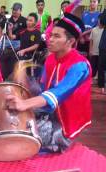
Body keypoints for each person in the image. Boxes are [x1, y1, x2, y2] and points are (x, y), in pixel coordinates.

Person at [6, 13, 92, 153]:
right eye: (50, 35)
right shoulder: (51, 59)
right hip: (50, 112)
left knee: (21, 133)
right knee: (10, 120)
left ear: (70, 41)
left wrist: (25, 103)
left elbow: (57, 94)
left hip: (66, 122)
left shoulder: (80, 66)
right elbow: (42, 89)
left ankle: (59, 143)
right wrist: (24, 81)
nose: (50, 39)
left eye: (57, 36)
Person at [89, 14, 103, 79]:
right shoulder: (94, 29)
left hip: (102, 52)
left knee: (100, 66)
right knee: (93, 65)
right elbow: (91, 41)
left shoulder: (104, 30)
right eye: (99, 19)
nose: (100, 21)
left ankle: (98, 77)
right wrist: (90, 50)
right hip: (94, 52)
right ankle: (91, 77)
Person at [98, 12, 106, 94]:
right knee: (101, 66)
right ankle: (102, 87)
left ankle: (102, 87)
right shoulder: (104, 14)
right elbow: (100, 25)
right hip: (103, 46)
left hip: (103, 46)